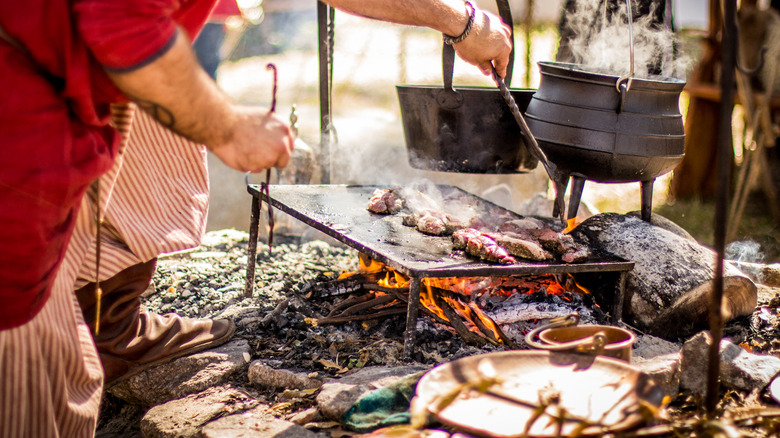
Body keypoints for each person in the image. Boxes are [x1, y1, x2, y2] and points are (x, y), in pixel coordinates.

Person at [0, 0, 512, 436]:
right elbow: (125, 27)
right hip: (20, 105)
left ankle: (110, 324)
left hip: (64, 55)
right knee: (36, 372)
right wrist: (227, 128)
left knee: (162, 133)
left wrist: (463, 22)